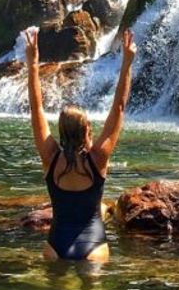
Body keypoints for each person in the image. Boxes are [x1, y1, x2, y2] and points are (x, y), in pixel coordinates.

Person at [26, 25, 135, 262]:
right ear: (88, 130)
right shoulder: (98, 158)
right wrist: (126, 63)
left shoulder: (50, 156)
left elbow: (36, 108)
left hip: (55, 246)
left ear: (61, 132)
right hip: (93, 247)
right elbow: (119, 107)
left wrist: (33, 62)